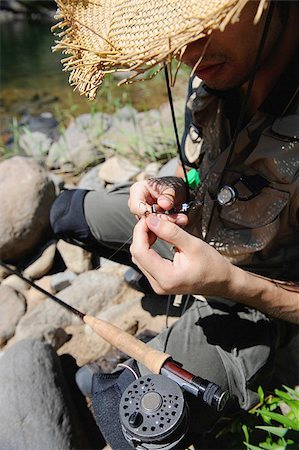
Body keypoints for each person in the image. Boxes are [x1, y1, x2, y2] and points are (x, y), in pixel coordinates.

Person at [50, 0, 299, 447]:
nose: (188, 51)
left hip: (264, 295)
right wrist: (174, 186)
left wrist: (232, 284)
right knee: (64, 213)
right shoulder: (219, 64)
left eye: (207, 23)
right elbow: (205, 168)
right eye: (178, 31)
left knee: (128, 421)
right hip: (201, 227)